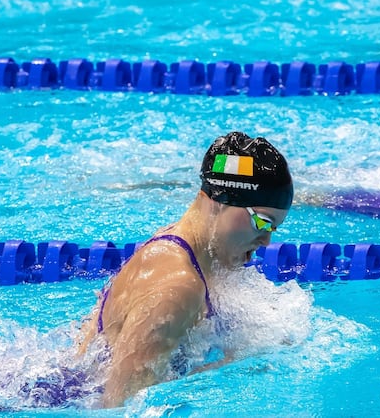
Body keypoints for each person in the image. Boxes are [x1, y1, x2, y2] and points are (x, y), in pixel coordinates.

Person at [77, 131, 294, 408]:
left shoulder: (197, 255)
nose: (266, 240)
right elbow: (120, 405)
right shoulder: (176, 287)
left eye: (274, 228)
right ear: (220, 200)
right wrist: (239, 367)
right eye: (263, 222)